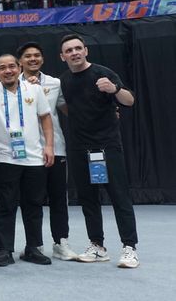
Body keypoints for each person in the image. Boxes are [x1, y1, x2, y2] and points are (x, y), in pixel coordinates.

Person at [58, 34, 139, 268]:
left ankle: (130, 247)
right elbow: (68, 108)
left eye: (78, 48)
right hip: (79, 148)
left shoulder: (103, 73)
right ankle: (97, 246)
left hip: (107, 146)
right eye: (69, 50)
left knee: (119, 197)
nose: (74, 53)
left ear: (86, 51)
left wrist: (114, 89)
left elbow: (129, 100)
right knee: (88, 199)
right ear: (62, 57)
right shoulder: (64, 80)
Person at [0, 54, 55, 267]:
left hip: (34, 158)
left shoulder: (34, 89)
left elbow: (45, 117)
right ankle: (5, 250)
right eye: (3, 68)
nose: (8, 71)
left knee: (34, 205)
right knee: (6, 206)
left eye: (12, 67)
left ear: (19, 68)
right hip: (6, 158)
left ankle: (33, 248)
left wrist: (49, 146)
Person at [17, 42, 79, 261]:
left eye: (36, 55)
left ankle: (61, 242)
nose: (32, 59)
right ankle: (34, 245)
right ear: (20, 61)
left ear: (42, 59)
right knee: (31, 200)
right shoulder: (12, 84)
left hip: (56, 148)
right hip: (26, 152)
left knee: (58, 198)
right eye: (27, 56)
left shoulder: (55, 83)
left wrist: (101, 113)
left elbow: (68, 109)